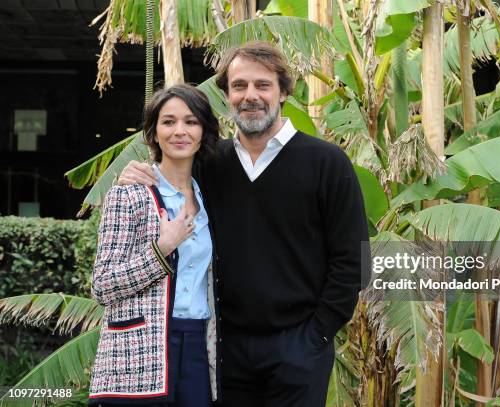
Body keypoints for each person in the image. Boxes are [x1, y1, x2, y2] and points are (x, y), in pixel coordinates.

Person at [119, 41, 370, 407]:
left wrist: (317, 334)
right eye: (239, 86)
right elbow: (167, 186)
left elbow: (355, 260)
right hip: (227, 351)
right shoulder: (208, 163)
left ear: (284, 92)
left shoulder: (327, 163)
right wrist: (134, 174)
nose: (250, 95)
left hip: (300, 347)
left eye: (262, 85)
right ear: (227, 95)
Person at [88, 84, 220, 406]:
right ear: (153, 132)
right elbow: (102, 285)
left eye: (190, 122)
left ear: (203, 131)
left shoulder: (212, 198)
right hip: (138, 349)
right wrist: (160, 250)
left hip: (199, 346)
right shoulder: (128, 194)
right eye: (168, 122)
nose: (180, 131)